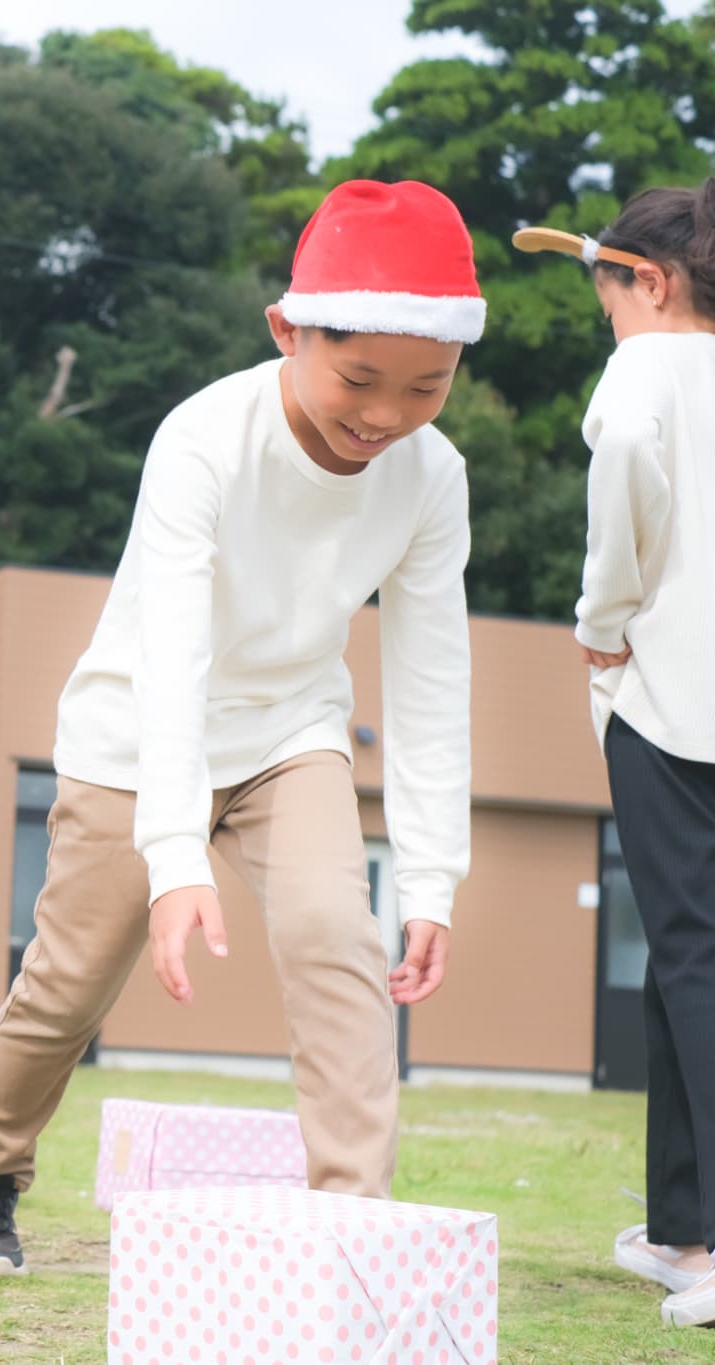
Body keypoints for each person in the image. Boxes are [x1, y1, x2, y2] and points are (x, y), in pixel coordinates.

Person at [0, 181, 479, 1279]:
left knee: (335, 937)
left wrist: (430, 880)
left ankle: (352, 1226)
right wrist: (174, 857)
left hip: (289, 731)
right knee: (68, 983)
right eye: (358, 380)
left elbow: (430, 676)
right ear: (286, 331)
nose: (384, 415)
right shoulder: (204, 439)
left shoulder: (432, 477)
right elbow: (172, 656)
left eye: (425, 387)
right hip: (138, 731)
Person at [515, 180, 715, 1330]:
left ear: (649, 280)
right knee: (680, 957)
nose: (611, 332)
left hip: (671, 702)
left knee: (690, 952)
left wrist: (599, 623)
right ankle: (681, 1228)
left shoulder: (647, 369)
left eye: (609, 309)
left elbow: (628, 460)